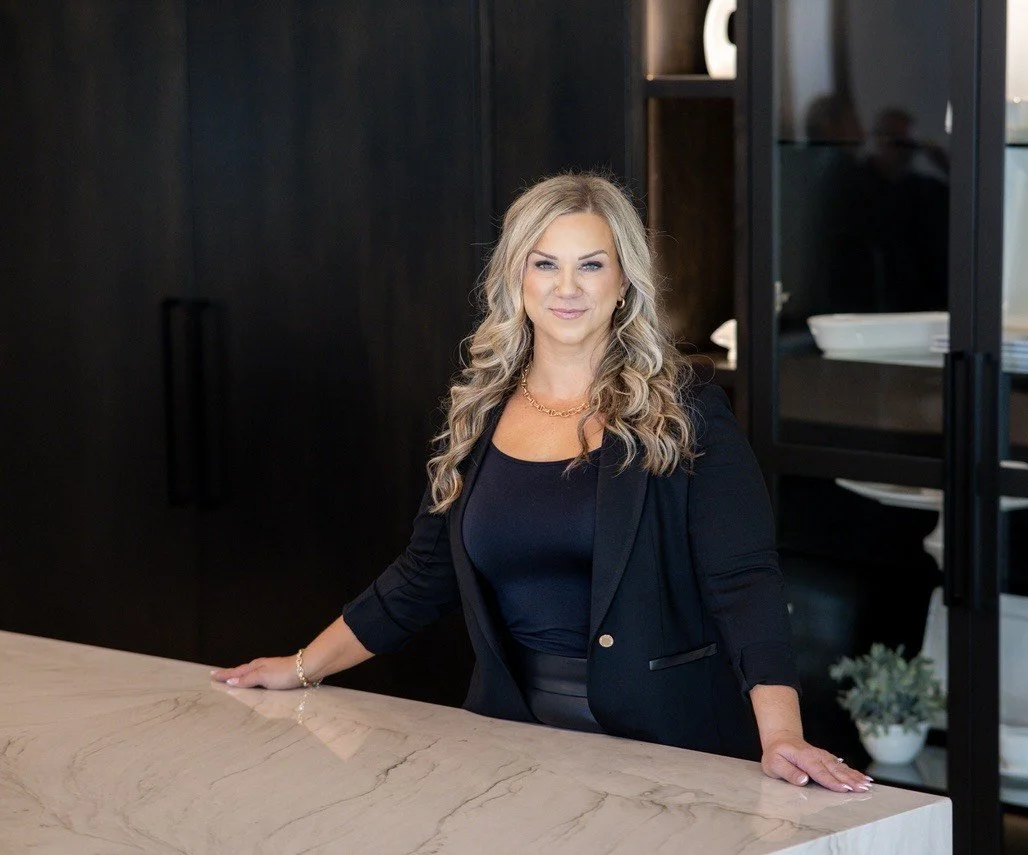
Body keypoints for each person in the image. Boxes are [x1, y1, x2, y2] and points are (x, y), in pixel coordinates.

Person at [211, 173, 871, 793]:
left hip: (666, 743)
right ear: (517, 278)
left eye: (591, 264)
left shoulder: (685, 409)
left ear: (623, 282)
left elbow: (744, 579)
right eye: (545, 263)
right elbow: (421, 577)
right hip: (513, 740)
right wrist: (299, 667)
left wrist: (781, 731)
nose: (568, 287)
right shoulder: (479, 411)